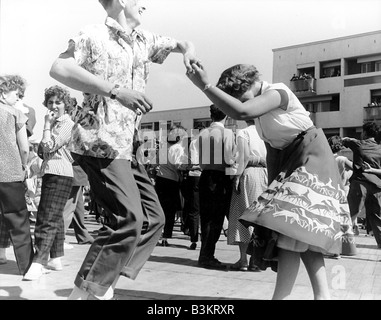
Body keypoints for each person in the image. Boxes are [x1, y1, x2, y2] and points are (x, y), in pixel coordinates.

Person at [49, 0, 200, 300]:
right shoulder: (93, 35)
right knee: (128, 219)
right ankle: (86, 292)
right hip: (99, 141)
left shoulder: (145, 40)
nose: (145, 5)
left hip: (127, 146)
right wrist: (116, 91)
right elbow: (58, 67)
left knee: (154, 219)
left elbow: (183, 43)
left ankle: (103, 279)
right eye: (139, 0)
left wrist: (190, 56)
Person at [187, 63, 353, 299]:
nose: (239, 101)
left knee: (288, 227)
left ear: (249, 84)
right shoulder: (260, 116)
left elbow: (241, 112)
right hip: (291, 162)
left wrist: (205, 85)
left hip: (311, 157)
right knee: (302, 234)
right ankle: (322, 297)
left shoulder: (277, 92)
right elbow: (272, 150)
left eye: (239, 95)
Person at [23, 85, 75, 280]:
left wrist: (45, 124)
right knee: (55, 215)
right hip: (54, 171)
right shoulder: (56, 123)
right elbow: (44, 151)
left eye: (58, 102)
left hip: (59, 172)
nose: (53, 105)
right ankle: (55, 257)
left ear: (66, 104)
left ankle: (39, 262)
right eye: (50, 102)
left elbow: (48, 145)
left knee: (46, 217)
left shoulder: (65, 123)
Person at [192, 105, 235, 270]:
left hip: (205, 176)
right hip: (220, 177)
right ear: (226, 116)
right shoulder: (228, 134)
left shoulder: (202, 133)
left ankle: (205, 253)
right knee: (216, 219)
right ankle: (207, 255)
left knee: (206, 217)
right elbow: (230, 158)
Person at [0, 74, 34, 275]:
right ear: (4, 92)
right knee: (18, 220)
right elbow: (24, 148)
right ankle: (27, 266)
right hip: (10, 174)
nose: (19, 98)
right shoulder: (16, 114)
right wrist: (23, 166)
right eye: (17, 94)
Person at [228, 120, 267, 271]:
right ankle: (255, 259)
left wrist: (237, 176)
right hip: (265, 173)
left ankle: (243, 259)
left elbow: (243, 157)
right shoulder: (265, 133)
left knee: (243, 214)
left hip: (249, 173)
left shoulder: (244, 132)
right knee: (259, 216)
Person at [342, 122, 381, 249]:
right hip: (377, 188)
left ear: (364, 133)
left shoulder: (358, 144)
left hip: (360, 184)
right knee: (377, 219)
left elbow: (344, 140)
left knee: (350, 215)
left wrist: (345, 139)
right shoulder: (380, 148)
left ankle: (340, 246)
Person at [155, 125, 189, 247]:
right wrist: (189, 166)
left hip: (160, 179)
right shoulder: (177, 148)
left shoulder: (163, 147)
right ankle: (165, 237)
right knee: (170, 211)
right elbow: (178, 165)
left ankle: (157, 234)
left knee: (161, 209)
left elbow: (156, 162)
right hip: (171, 181)